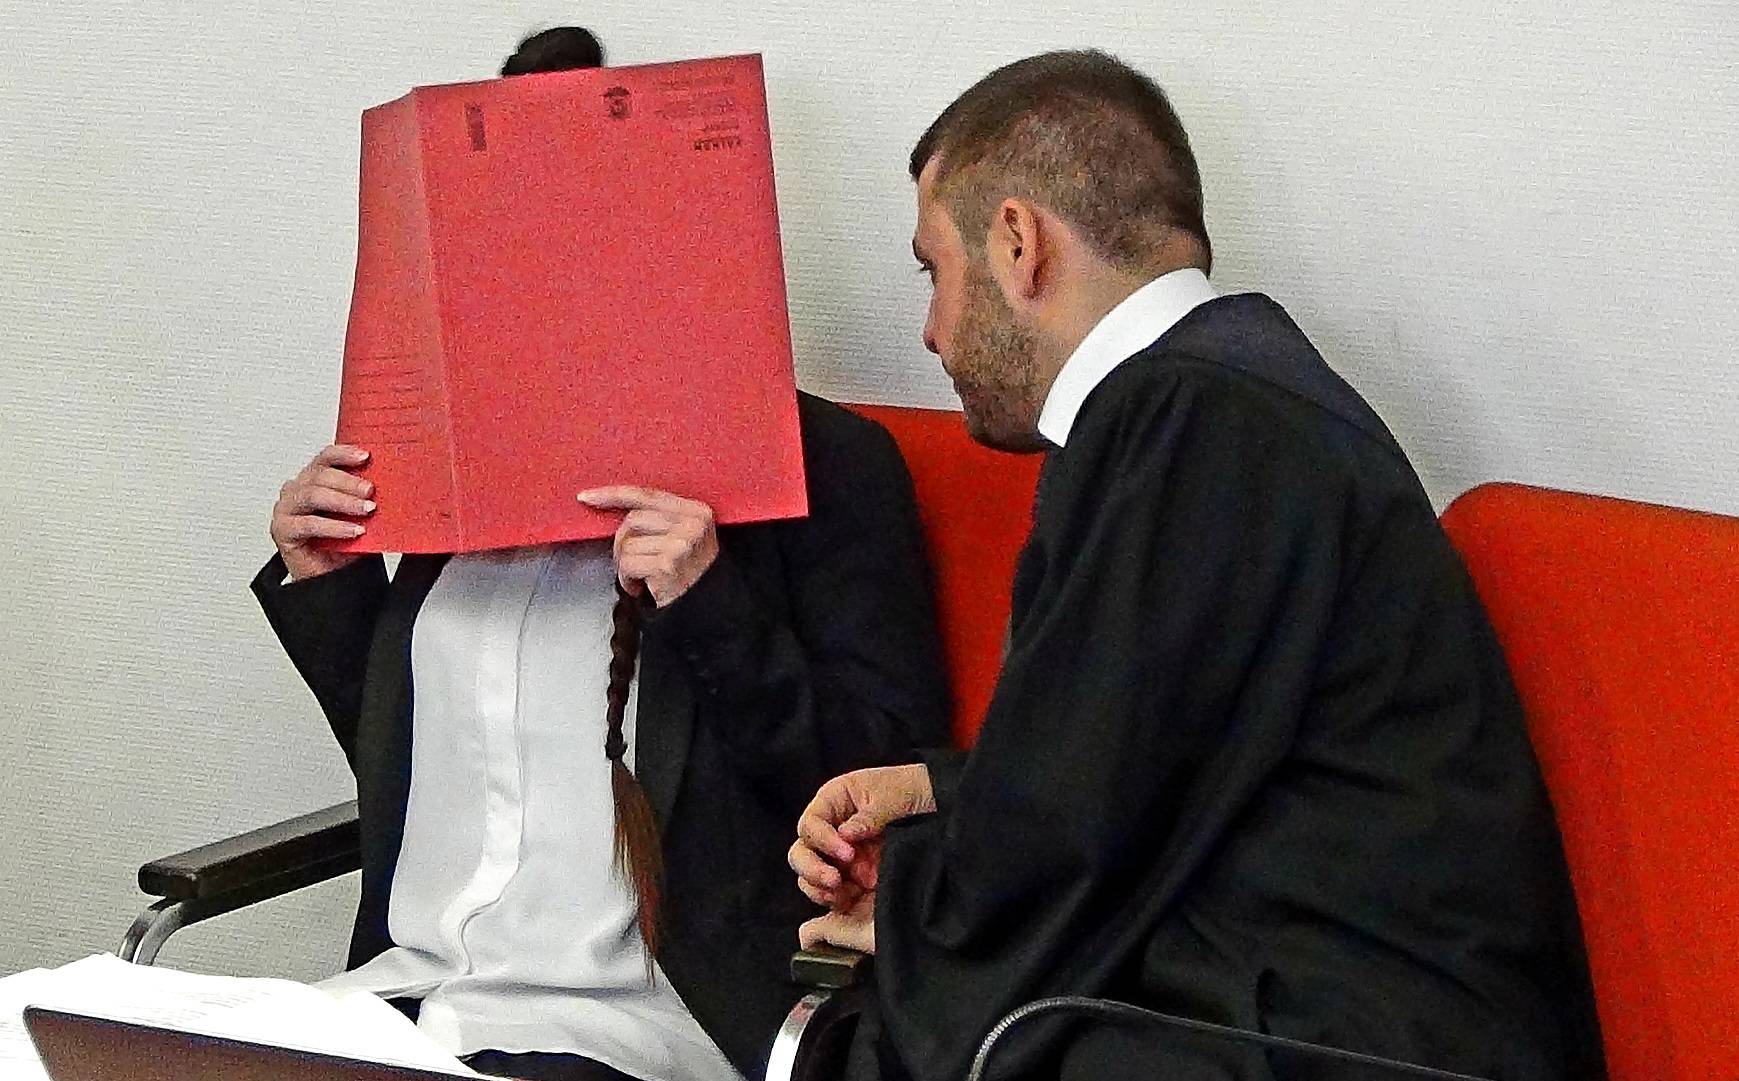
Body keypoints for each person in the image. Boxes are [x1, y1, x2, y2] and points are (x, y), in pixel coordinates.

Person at [789, 50, 1609, 1081]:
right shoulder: (1236, 395)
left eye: (933, 270)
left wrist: (910, 908)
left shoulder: (1186, 418)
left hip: (1351, 1038)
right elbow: (1140, 756)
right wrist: (935, 795)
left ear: (1014, 242)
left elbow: (1074, 822)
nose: (931, 331)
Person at [255, 26, 949, 1081]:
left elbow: (880, 787)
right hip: (406, 996)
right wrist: (331, 582)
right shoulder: (455, 470)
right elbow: (444, 774)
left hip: (643, 1019)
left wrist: (710, 601)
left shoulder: (831, 468)